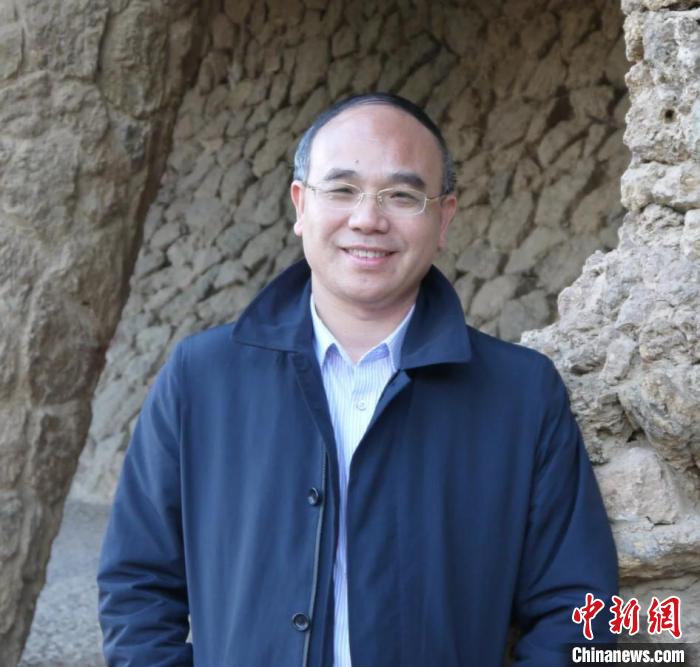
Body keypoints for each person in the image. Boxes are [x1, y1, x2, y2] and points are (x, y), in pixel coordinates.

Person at [98, 92, 618, 666]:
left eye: (402, 195)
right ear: (300, 205)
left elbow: (578, 605)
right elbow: (136, 587)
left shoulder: (520, 395)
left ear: (444, 217)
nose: (368, 219)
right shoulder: (201, 379)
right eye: (342, 189)